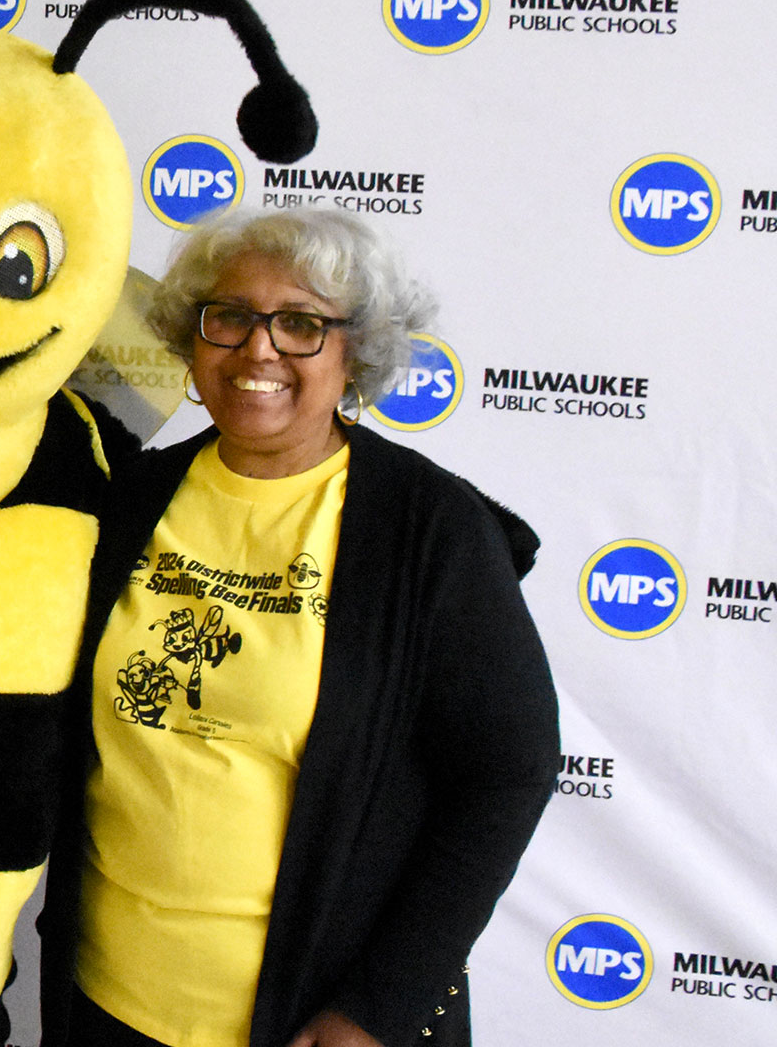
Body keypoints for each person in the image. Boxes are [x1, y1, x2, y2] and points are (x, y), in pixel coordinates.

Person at [40, 208, 559, 1047]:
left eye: (302, 325)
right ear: (192, 337)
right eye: (231, 317)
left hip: (313, 1020)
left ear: (356, 352)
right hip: (107, 1000)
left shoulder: (431, 531)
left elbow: (507, 773)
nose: (259, 349)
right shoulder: (126, 499)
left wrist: (380, 1008)